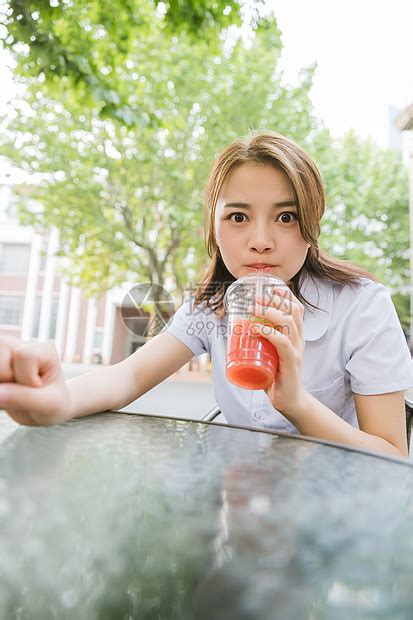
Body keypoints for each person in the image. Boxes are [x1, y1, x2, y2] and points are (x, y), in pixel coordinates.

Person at [0, 131, 412, 459]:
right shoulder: (211, 304)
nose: (261, 241)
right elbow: (128, 376)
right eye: (238, 217)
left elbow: (391, 453)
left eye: (286, 217)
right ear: (213, 227)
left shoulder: (362, 306)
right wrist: (58, 398)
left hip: (342, 523)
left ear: (311, 223)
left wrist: (296, 403)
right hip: (236, 513)